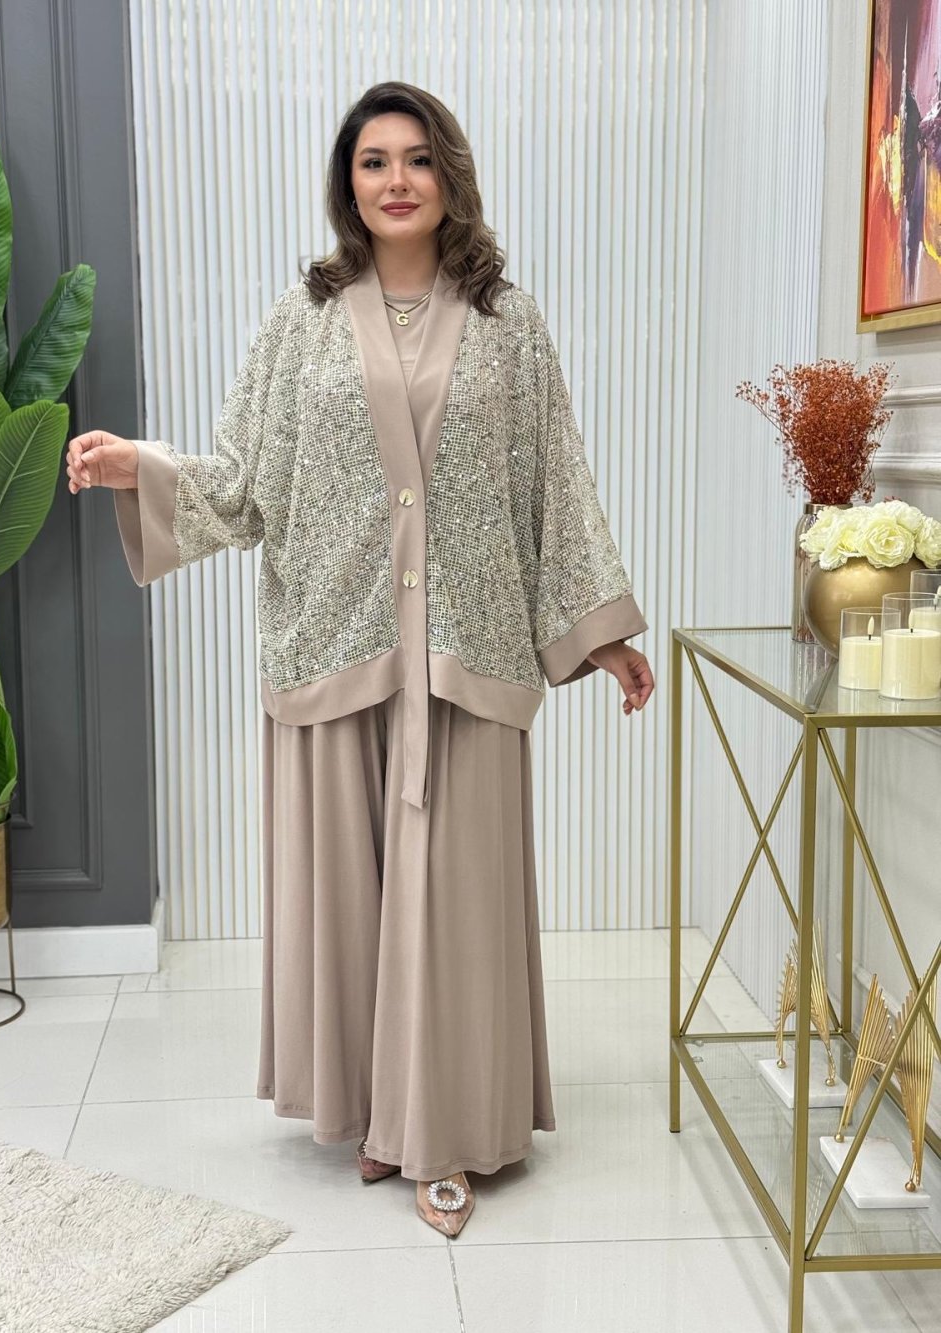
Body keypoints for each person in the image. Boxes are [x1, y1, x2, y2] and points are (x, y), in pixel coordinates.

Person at [65, 81, 654, 1238]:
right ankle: (383, 1110)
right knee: (358, 901)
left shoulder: (509, 322)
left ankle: (445, 1135)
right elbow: (246, 480)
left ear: (448, 176)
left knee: (451, 903)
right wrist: (144, 464)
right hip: (338, 639)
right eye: (373, 160)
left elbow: (554, 483)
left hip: (466, 647)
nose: (395, 180)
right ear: (348, 181)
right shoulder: (303, 318)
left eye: (416, 159)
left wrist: (602, 631)